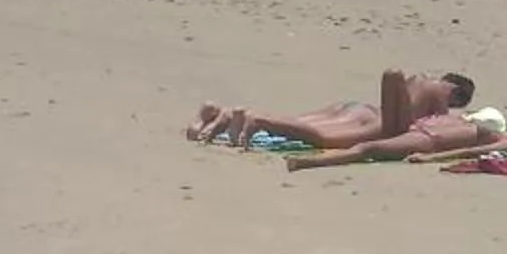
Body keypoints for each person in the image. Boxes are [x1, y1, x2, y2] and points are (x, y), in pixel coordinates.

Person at [185, 69, 477, 148]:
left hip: (356, 107)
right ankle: (257, 121)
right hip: (373, 121)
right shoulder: (440, 93)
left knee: (297, 121)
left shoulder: (418, 78)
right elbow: (435, 126)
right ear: (455, 92)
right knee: (320, 137)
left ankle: (216, 114)